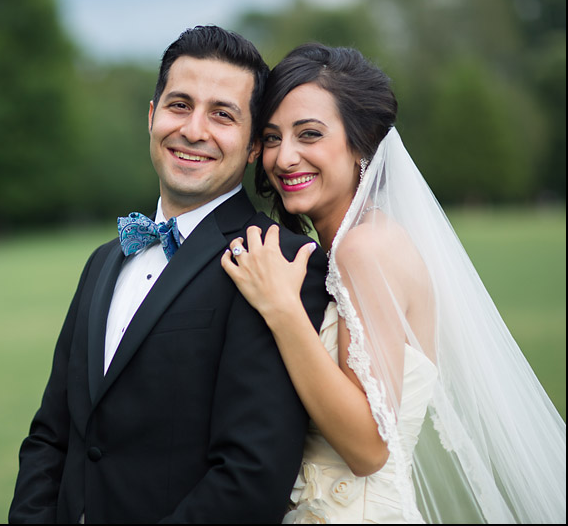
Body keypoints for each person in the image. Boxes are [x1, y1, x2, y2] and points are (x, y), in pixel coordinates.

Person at [222, 42, 567, 523]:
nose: (284, 158)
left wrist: (282, 311)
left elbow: (369, 447)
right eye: (273, 137)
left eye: (309, 134)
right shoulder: (352, 245)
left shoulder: (365, 249)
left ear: (362, 142)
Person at [8, 26, 330, 524]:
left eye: (222, 115)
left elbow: (251, 476)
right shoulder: (103, 261)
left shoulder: (278, 260)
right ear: (152, 116)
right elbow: (52, 435)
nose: (194, 130)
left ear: (251, 147)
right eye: (180, 105)